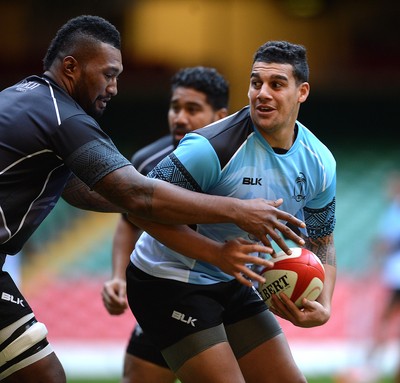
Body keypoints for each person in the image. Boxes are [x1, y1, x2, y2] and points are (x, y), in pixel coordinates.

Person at [0, 16, 306, 383]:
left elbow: (82, 190)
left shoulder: (21, 96)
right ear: (71, 67)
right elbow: (136, 193)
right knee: (43, 376)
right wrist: (236, 210)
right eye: (108, 74)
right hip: (167, 284)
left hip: (214, 289)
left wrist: (162, 203)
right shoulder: (64, 117)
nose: (114, 88)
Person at [125, 40, 337, 383]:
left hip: (233, 280)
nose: (262, 93)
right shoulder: (211, 147)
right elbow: (138, 208)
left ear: (302, 92)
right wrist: (218, 253)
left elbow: (322, 238)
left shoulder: (321, 162)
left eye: (277, 84)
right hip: (167, 279)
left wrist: (323, 304)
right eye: (256, 83)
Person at [102, 66, 230, 383]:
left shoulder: (237, 163)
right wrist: (118, 277)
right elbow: (128, 222)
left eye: (192, 109)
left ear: (220, 115)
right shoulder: (148, 161)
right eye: (175, 107)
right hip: (165, 292)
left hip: (225, 295)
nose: (180, 118)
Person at [366, 171, 400, 382]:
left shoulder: (395, 211)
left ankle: (371, 364)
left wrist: (376, 254)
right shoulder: (392, 210)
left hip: (397, 277)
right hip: (394, 275)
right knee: (385, 320)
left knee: (385, 321)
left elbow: (387, 242)